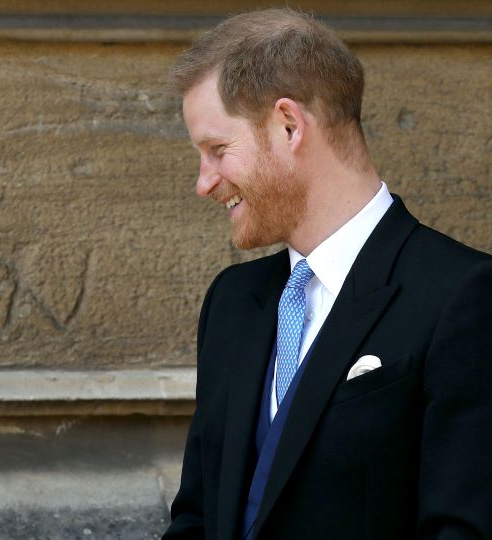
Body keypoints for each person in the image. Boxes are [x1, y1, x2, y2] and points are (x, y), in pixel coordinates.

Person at [162, 8, 491, 540]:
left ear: (289, 125)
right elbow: (197, 516)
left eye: (217, 150)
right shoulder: (232, 301)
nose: (205, 183)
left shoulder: (465, 295)